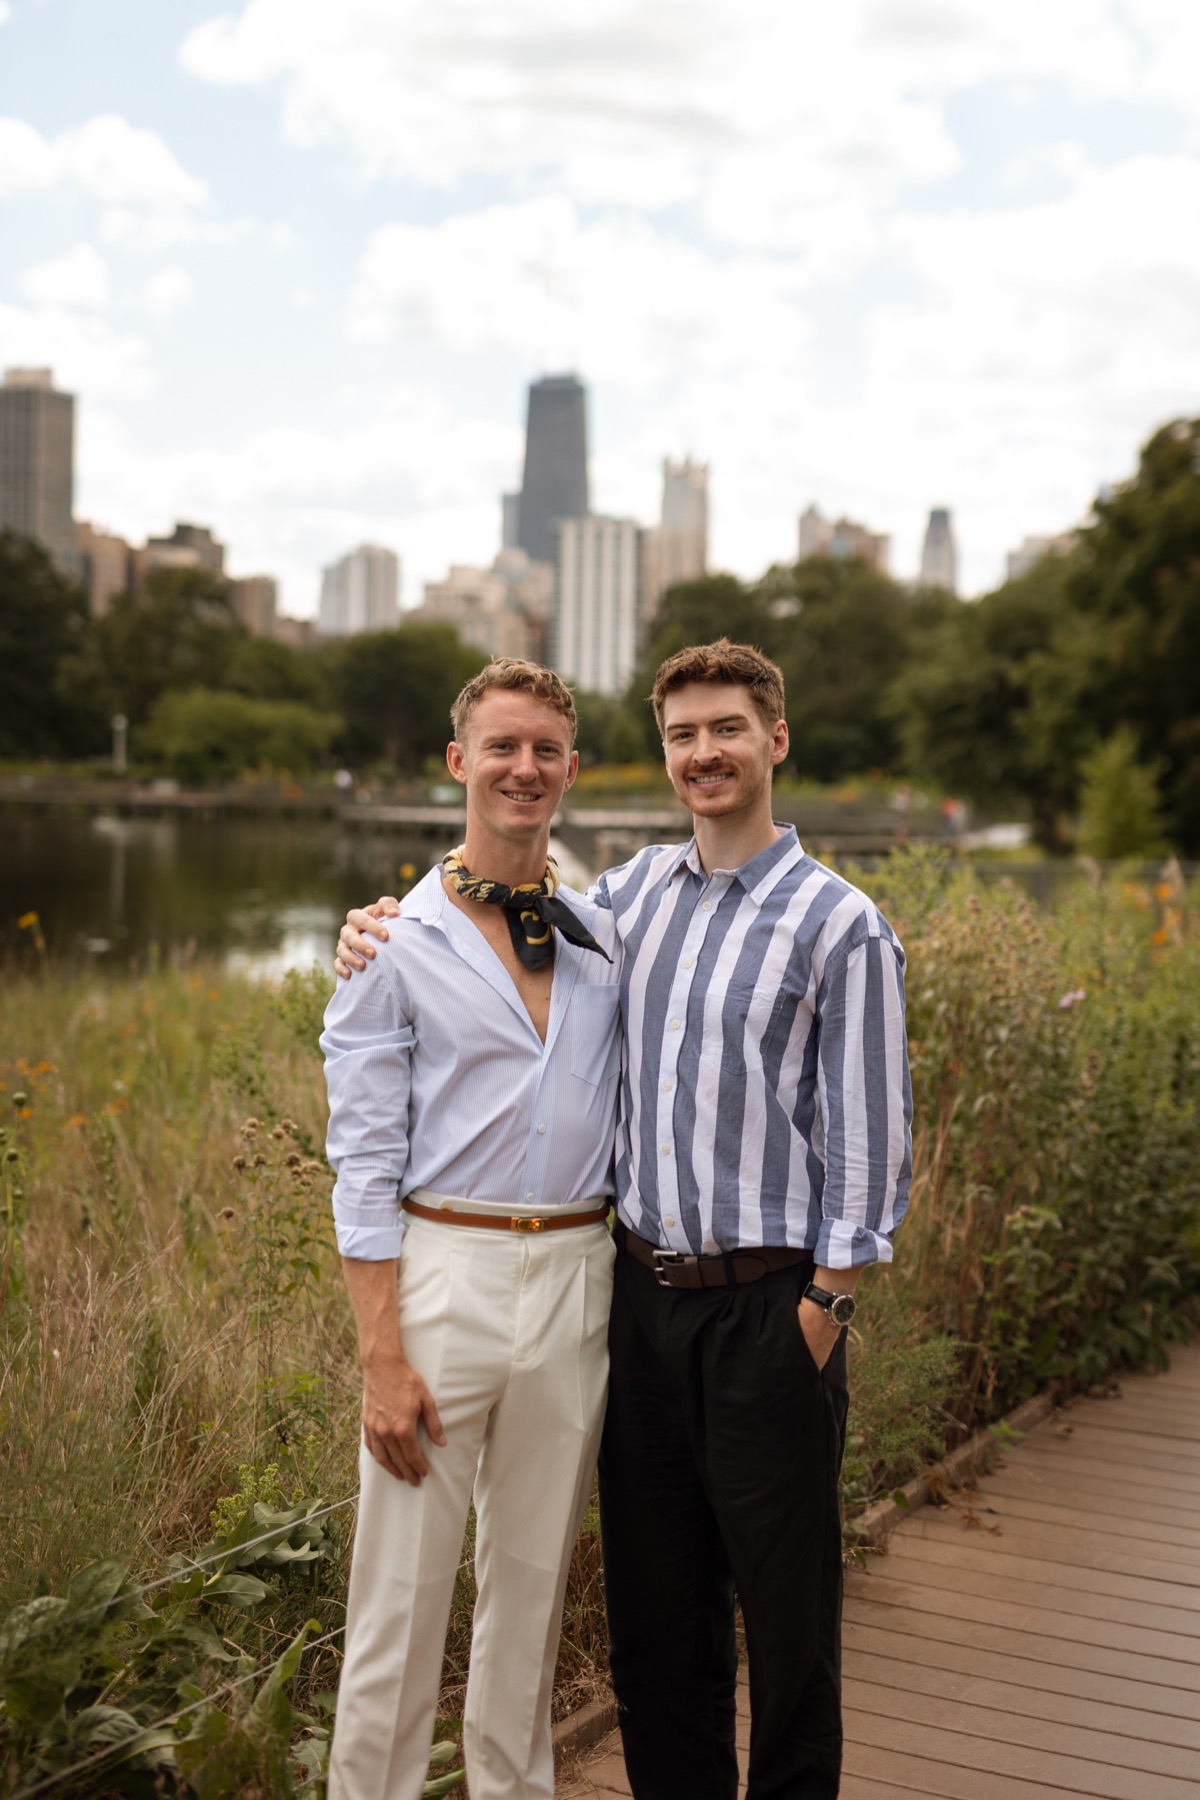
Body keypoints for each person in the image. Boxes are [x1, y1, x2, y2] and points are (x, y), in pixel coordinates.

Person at [338, 639, 911, 1800]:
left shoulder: (826, 924)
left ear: (774, 741)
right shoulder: (617, 903)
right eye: (684, 735)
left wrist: (824, 1311)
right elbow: (377, 1130)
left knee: (754, 1619)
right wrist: (370, 926)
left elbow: (871, 1142)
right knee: (643, 1621)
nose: (705, 752)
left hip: (744, 1308)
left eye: (728, 729)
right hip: (603, 1298)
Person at [320, 658, 622, 1800]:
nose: (524, 768)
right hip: (443, 1273)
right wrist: (379, 1352)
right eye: (502, 746)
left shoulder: (607, 937)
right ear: (459, 762)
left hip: (579, 1279)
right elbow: (363, 1165)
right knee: (398, 1602)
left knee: (532, 1592)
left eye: (546, 750)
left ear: (572, 772)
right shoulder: (390, 946)